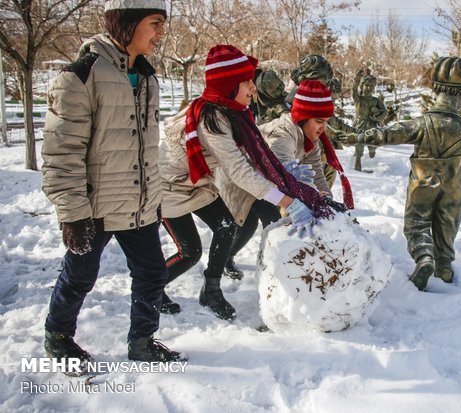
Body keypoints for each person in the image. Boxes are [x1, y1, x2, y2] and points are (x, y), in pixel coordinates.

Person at [41, 0, 185, 369]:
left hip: (138, 204)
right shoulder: (82, 75)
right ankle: (58, 337)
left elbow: (145, 148)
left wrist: (153, 200)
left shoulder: (149, 77)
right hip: (94, 206)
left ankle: (141, 342)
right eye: (154, 23)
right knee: (80, 276)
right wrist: (73, 214)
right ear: (126, 23)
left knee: (152, 274)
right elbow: (62, 152)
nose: (160, 33)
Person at [182, 45, 334, 288]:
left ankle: (235, 264)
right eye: (319, 121)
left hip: (258, 180)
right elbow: (278, 171)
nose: (324, 128)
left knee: (249, 224)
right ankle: (268, 274)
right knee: (268, 223)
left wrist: (324, 195)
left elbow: (314, 169)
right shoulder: (280, 134)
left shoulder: (308, 137)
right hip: (240, 181)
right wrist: (294, 196)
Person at [364, 56, 461, 291]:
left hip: (422, 185)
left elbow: (395, 132)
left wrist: (374, 135)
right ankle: (444, 269)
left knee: (416, 224)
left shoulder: (423, 124)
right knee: (446, 228)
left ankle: (424, 258)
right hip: (453, 189)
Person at [158, 107, 238, 319]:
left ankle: (211, 291)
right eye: (246, 82)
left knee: (226, 227)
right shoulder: (210, 117)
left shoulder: (240, 115)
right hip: (169, 187)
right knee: (190, 252)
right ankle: (152, 289)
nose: (252, 87)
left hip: (198, 182)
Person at [259, 80, 354, 210]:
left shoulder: (310, 139)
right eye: (319, 121)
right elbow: (286, 173)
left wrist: (327, 200)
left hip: (265, 188)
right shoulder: (283, 134)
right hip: (242, 184)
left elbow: (315, 174)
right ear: (302, 118)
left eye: (326, 121)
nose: (324, 128)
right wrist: (315, 199)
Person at [352, 69, 388, 171]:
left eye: (372, 86)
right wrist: (357, 79)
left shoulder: (375, 101)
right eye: (367, 85)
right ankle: (358, 161)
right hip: (359, 124)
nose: (369, 88)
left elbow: (384, 112)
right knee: (359, 142)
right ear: (362, 86)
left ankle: (372, 150)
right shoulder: (358, 99)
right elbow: (353, 90)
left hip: (371, 125)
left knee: (372, 143)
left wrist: (376, 117)